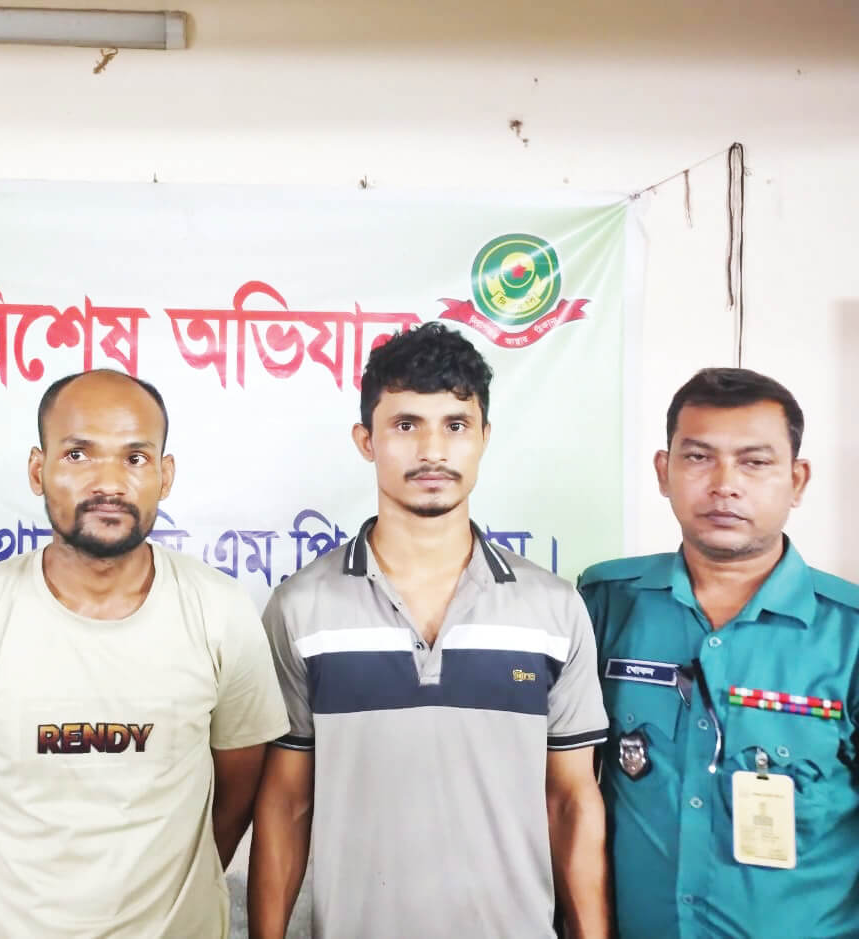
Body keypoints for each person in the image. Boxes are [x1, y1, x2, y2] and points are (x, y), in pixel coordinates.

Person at [0, 368, 289, 938]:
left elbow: (237, 793)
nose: (109, 483)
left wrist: (180, 897)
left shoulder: (220, 610)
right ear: (38, 470)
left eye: (135, 458)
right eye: (78, 455)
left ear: (165, 476)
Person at [250, 321, 610, 939]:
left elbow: (572, 803)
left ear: (484, 437)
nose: (432, 451)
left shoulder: (553, 610)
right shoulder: (301, 608)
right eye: (406, 424)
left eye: (456, 425)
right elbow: (286, 803)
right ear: (366, 440)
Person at [579, 367, 859, 938]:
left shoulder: (848, 633)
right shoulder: (606, 604)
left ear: (797, 480)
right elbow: (567, 789)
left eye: (754, 462)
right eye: (699, 457)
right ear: (664, 471)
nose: (724, 484)